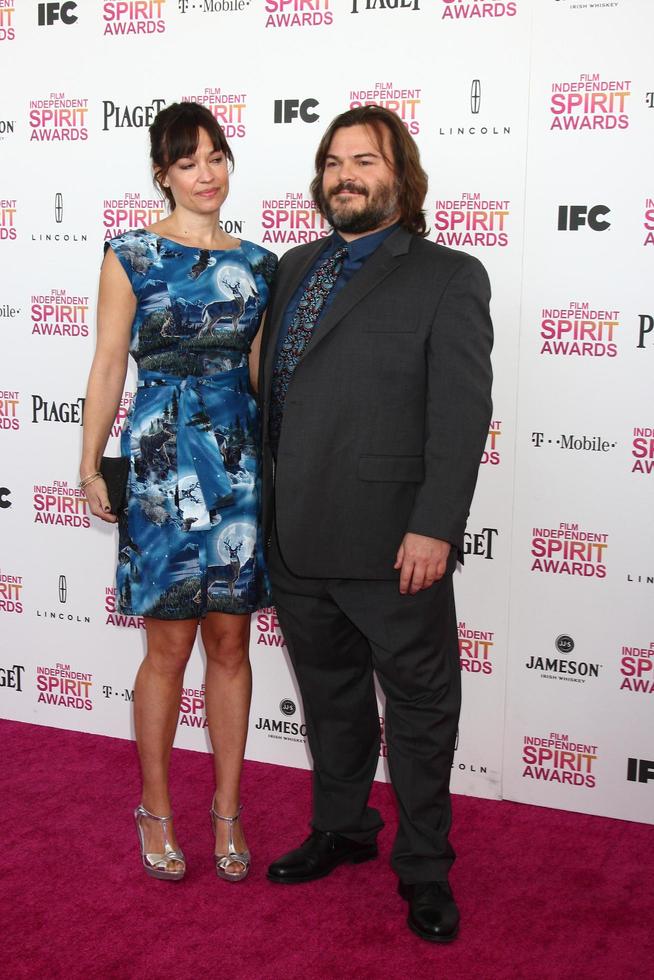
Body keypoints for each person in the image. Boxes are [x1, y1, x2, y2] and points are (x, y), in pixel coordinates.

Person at [259, 106, 493, 941]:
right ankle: (345, 826)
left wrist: (435, 525)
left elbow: (461, 417)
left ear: (402, 176)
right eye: (332, 162)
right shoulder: (291, 267)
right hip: (295, 534)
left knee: (422, 710)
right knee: (330, 701)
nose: (344, 174)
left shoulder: (448, 274)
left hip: (398, 544)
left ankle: (426, 867)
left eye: (364, 159)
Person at [80, 101, 276, 882]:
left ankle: (227, 810)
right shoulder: (130, 253)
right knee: (168, 645)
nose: (206, 173)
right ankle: (155, 808)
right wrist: (92, 463)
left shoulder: (261, 264)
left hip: (238, 467)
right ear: (162, 173)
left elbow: (265, 377)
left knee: (232, 640)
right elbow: (105, 364)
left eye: (217, 156)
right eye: (188, 160)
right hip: (162, 466)